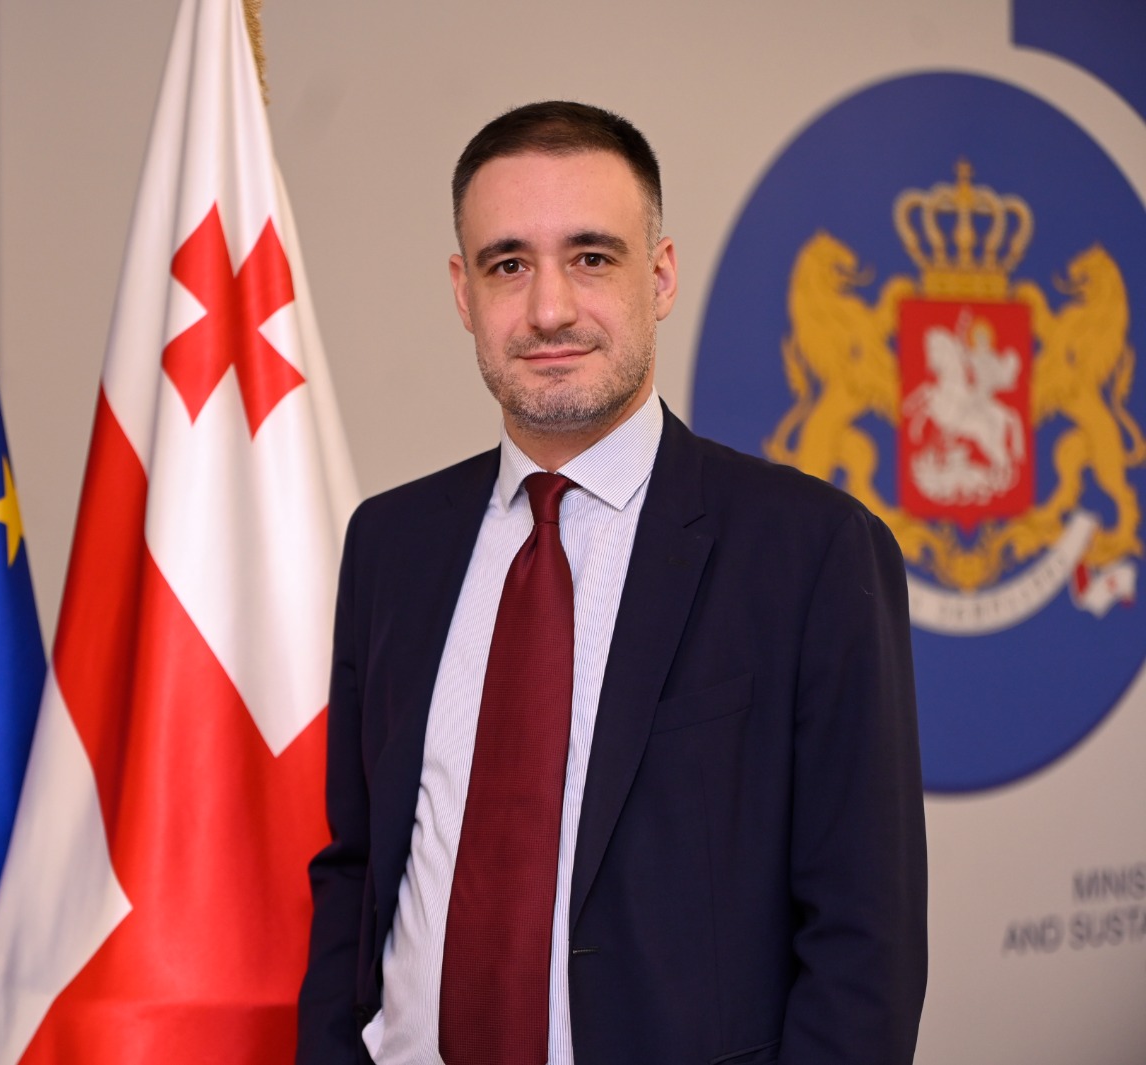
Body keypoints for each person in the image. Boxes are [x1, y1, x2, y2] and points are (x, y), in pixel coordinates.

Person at [296, 101, 927, 1065]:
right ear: (464, 292)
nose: (549, 309)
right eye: (509, 265)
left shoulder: (812, 552)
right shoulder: (391, 544)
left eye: (591, 257)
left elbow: (863, 947)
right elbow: (356, 873)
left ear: (660, 276)